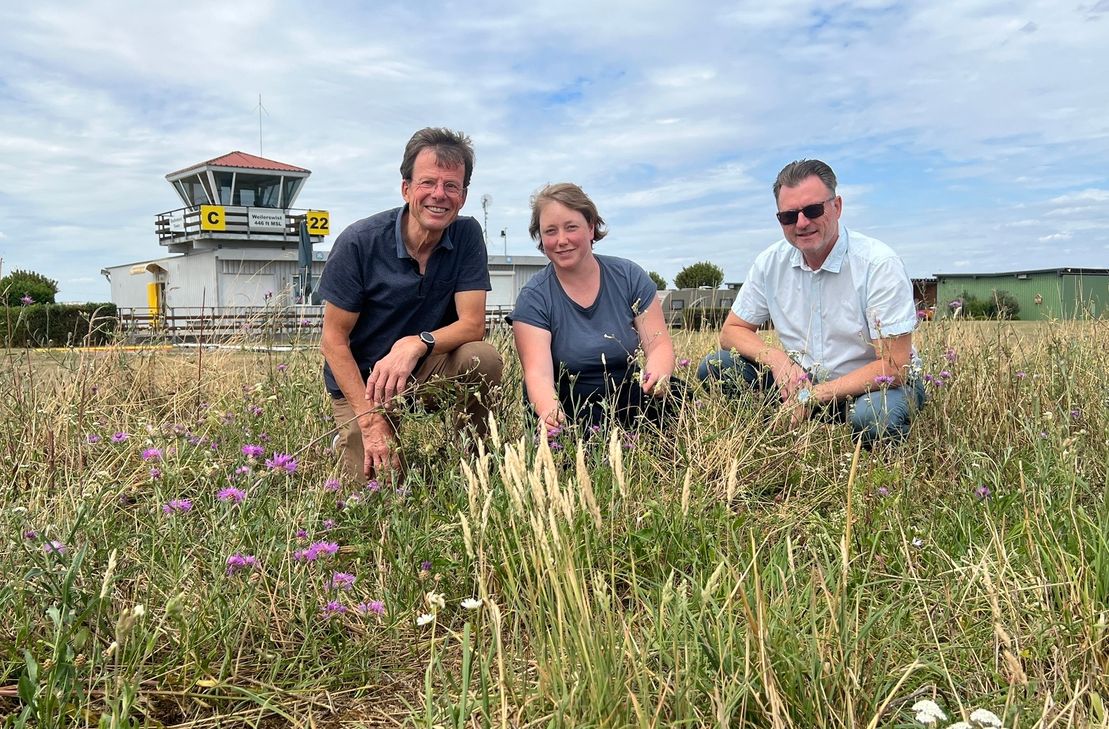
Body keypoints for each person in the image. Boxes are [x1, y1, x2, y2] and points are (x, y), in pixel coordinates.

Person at [318, 127, 503, 483]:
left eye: (451, 186)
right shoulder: (360, 243)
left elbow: (472, 325)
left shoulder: (465, 235)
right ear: (406, 188)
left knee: (483, 357)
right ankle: (376, 432)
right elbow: (333, 341)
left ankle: (478, 462)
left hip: (424, 368)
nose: (439, 195)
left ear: (463, 196)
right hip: (365, 382)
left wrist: (416, 343)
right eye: (428, 183)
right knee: (376, 488)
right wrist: (370, 421)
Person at [697, 159, 924, 445]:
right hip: (799, 383)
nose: (801, 223)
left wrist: (813, 395)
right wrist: (778, 360)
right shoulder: (770, 263)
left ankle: (869, 457)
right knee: (718, 365)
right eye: (789, 216)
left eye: (813, 210)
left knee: (872, 418)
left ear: (837, 206)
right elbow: (731, 332)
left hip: (874, 388)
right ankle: (771, 437)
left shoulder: (877, 264)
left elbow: (895, 365)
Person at [510, 183, 684, 432]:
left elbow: (658, 344)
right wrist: (551, 412)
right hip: (569, 401)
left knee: (678, 395)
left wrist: (657, 374)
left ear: (591, 228)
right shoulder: (533, 298)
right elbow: (538, 374)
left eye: (571, 227)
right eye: (550, 231)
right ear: (540, 238)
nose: (561, 240)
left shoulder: (629, 276)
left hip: (626, 392)